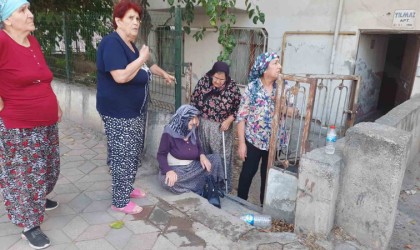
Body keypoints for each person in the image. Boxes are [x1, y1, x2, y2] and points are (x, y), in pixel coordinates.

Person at [96, 0, 174, 215]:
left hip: (134, 111)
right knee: (123, 154)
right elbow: (120, 76)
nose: (136, 22)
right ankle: (119, 201)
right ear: (118, 21)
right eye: (130, 18)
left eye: (137, 18)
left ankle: (126, 188)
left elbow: (147, 66)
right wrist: (141, 58)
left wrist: (163, 73)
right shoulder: (111, 44)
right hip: (118, 112)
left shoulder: (130, 45)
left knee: (132, 152)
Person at [0, 0, 62, 249]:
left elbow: (42, 77)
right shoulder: (2, 41)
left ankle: (37, 198)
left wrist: (55, 103)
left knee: (49, 167)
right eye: (22, 10)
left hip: (45, 121)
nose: (30, 14)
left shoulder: (32, 42)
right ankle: (29, 225)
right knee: (24, 177)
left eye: (28, 8)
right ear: (7, 20)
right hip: (19, 125)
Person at [236, 52, 284, 206]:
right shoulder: (253, 87)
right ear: (264, 69)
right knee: (247, 173)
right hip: (253, 140)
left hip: (273, 141)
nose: (279, 66)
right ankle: (240, 204)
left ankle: (264, 207)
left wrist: (282, 106)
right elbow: (241, 116)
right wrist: (242, 143)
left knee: (268, 176)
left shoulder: (283, 86)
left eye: (279, 63)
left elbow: (292, 111)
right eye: (275, 63)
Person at [190, 61, 241, 193]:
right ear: (212, 74)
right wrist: (195, 115)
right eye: (216, 78)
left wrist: (229, 120)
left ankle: (222, 187)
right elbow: (194, 100)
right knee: (204, 155)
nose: (218, 82)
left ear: (227, 78)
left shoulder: (232, 87)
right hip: (203, 125)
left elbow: (239, 108)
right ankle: (204, 183)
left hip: (221, 128)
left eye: (221, 79)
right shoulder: (204, 82)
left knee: (221, 157)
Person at [157, 104, 225, 194]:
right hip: (178, 169)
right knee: (169, 181)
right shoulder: (169, 132)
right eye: (191, 118)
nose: (194, 122)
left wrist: (202, 156)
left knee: (216, 159)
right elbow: (161, 155)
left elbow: (198, 145)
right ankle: (202, 186)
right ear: (183, 119)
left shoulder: (192, 130)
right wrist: (169, 171)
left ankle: (206, 186)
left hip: (193, 166)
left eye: (195, 118)